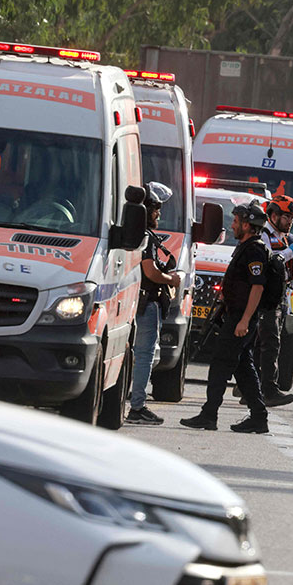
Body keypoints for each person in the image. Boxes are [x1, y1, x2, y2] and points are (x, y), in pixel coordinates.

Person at [180, 199, 271, 433]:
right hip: (235, 315)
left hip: (242, 318)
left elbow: (258, 287)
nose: (233, 226)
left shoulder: (255, 250)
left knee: (220, 364)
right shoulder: (245, 247)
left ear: (249, 225)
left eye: (237, 222)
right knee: (243, 367)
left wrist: (244, 320)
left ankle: (209, 415)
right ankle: (259, 417)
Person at [126, 182, 181, 425]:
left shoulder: (137, 234)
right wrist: (172, 279)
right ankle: (137, 406)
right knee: (145, 355)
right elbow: (150, 271)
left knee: (139, 355)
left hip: (139, 302)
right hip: (147, 304)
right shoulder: (145, 236)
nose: (159, 214)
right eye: (156, 209)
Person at [255, 194, 293, 406]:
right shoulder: (265, 235)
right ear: (273, 215)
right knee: (270, 345)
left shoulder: (287, 238)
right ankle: (269, 390)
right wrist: (291, 251)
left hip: (281, 294)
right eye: (286, 217)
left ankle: (247, 387)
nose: (290, 222)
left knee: (262, 343)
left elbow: (290, 269)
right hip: (267, 296)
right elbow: (272, 260)